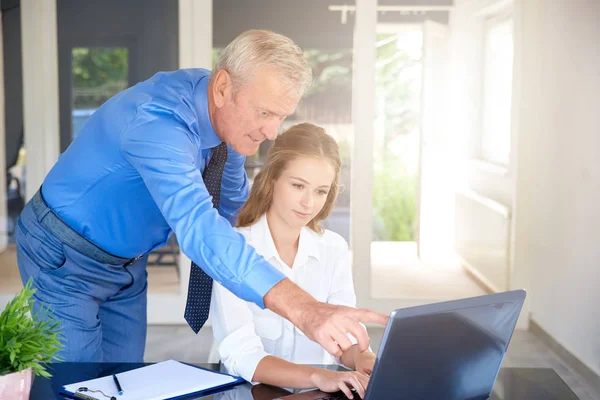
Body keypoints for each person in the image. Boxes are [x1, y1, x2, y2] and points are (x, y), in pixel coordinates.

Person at [15, 29, 386, 363]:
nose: (272, 132)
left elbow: (233, 204)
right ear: (223, 87)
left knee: (121, 380)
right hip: (64, 254)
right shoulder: (159, 125)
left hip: (128, 261)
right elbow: (200, 227)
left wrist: (288, 241)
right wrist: (304, 308)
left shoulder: (228, 118)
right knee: (77, 385)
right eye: (265, 113)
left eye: (281, 117)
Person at [212, 123, 376, 399]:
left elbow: (344, 339)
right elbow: (242, 354)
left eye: (321, 191)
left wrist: (363, 359)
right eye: (298, 185)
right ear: (272, 178)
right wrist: (319, 376)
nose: (308, 203)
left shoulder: (333, 249)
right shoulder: (235, 248)